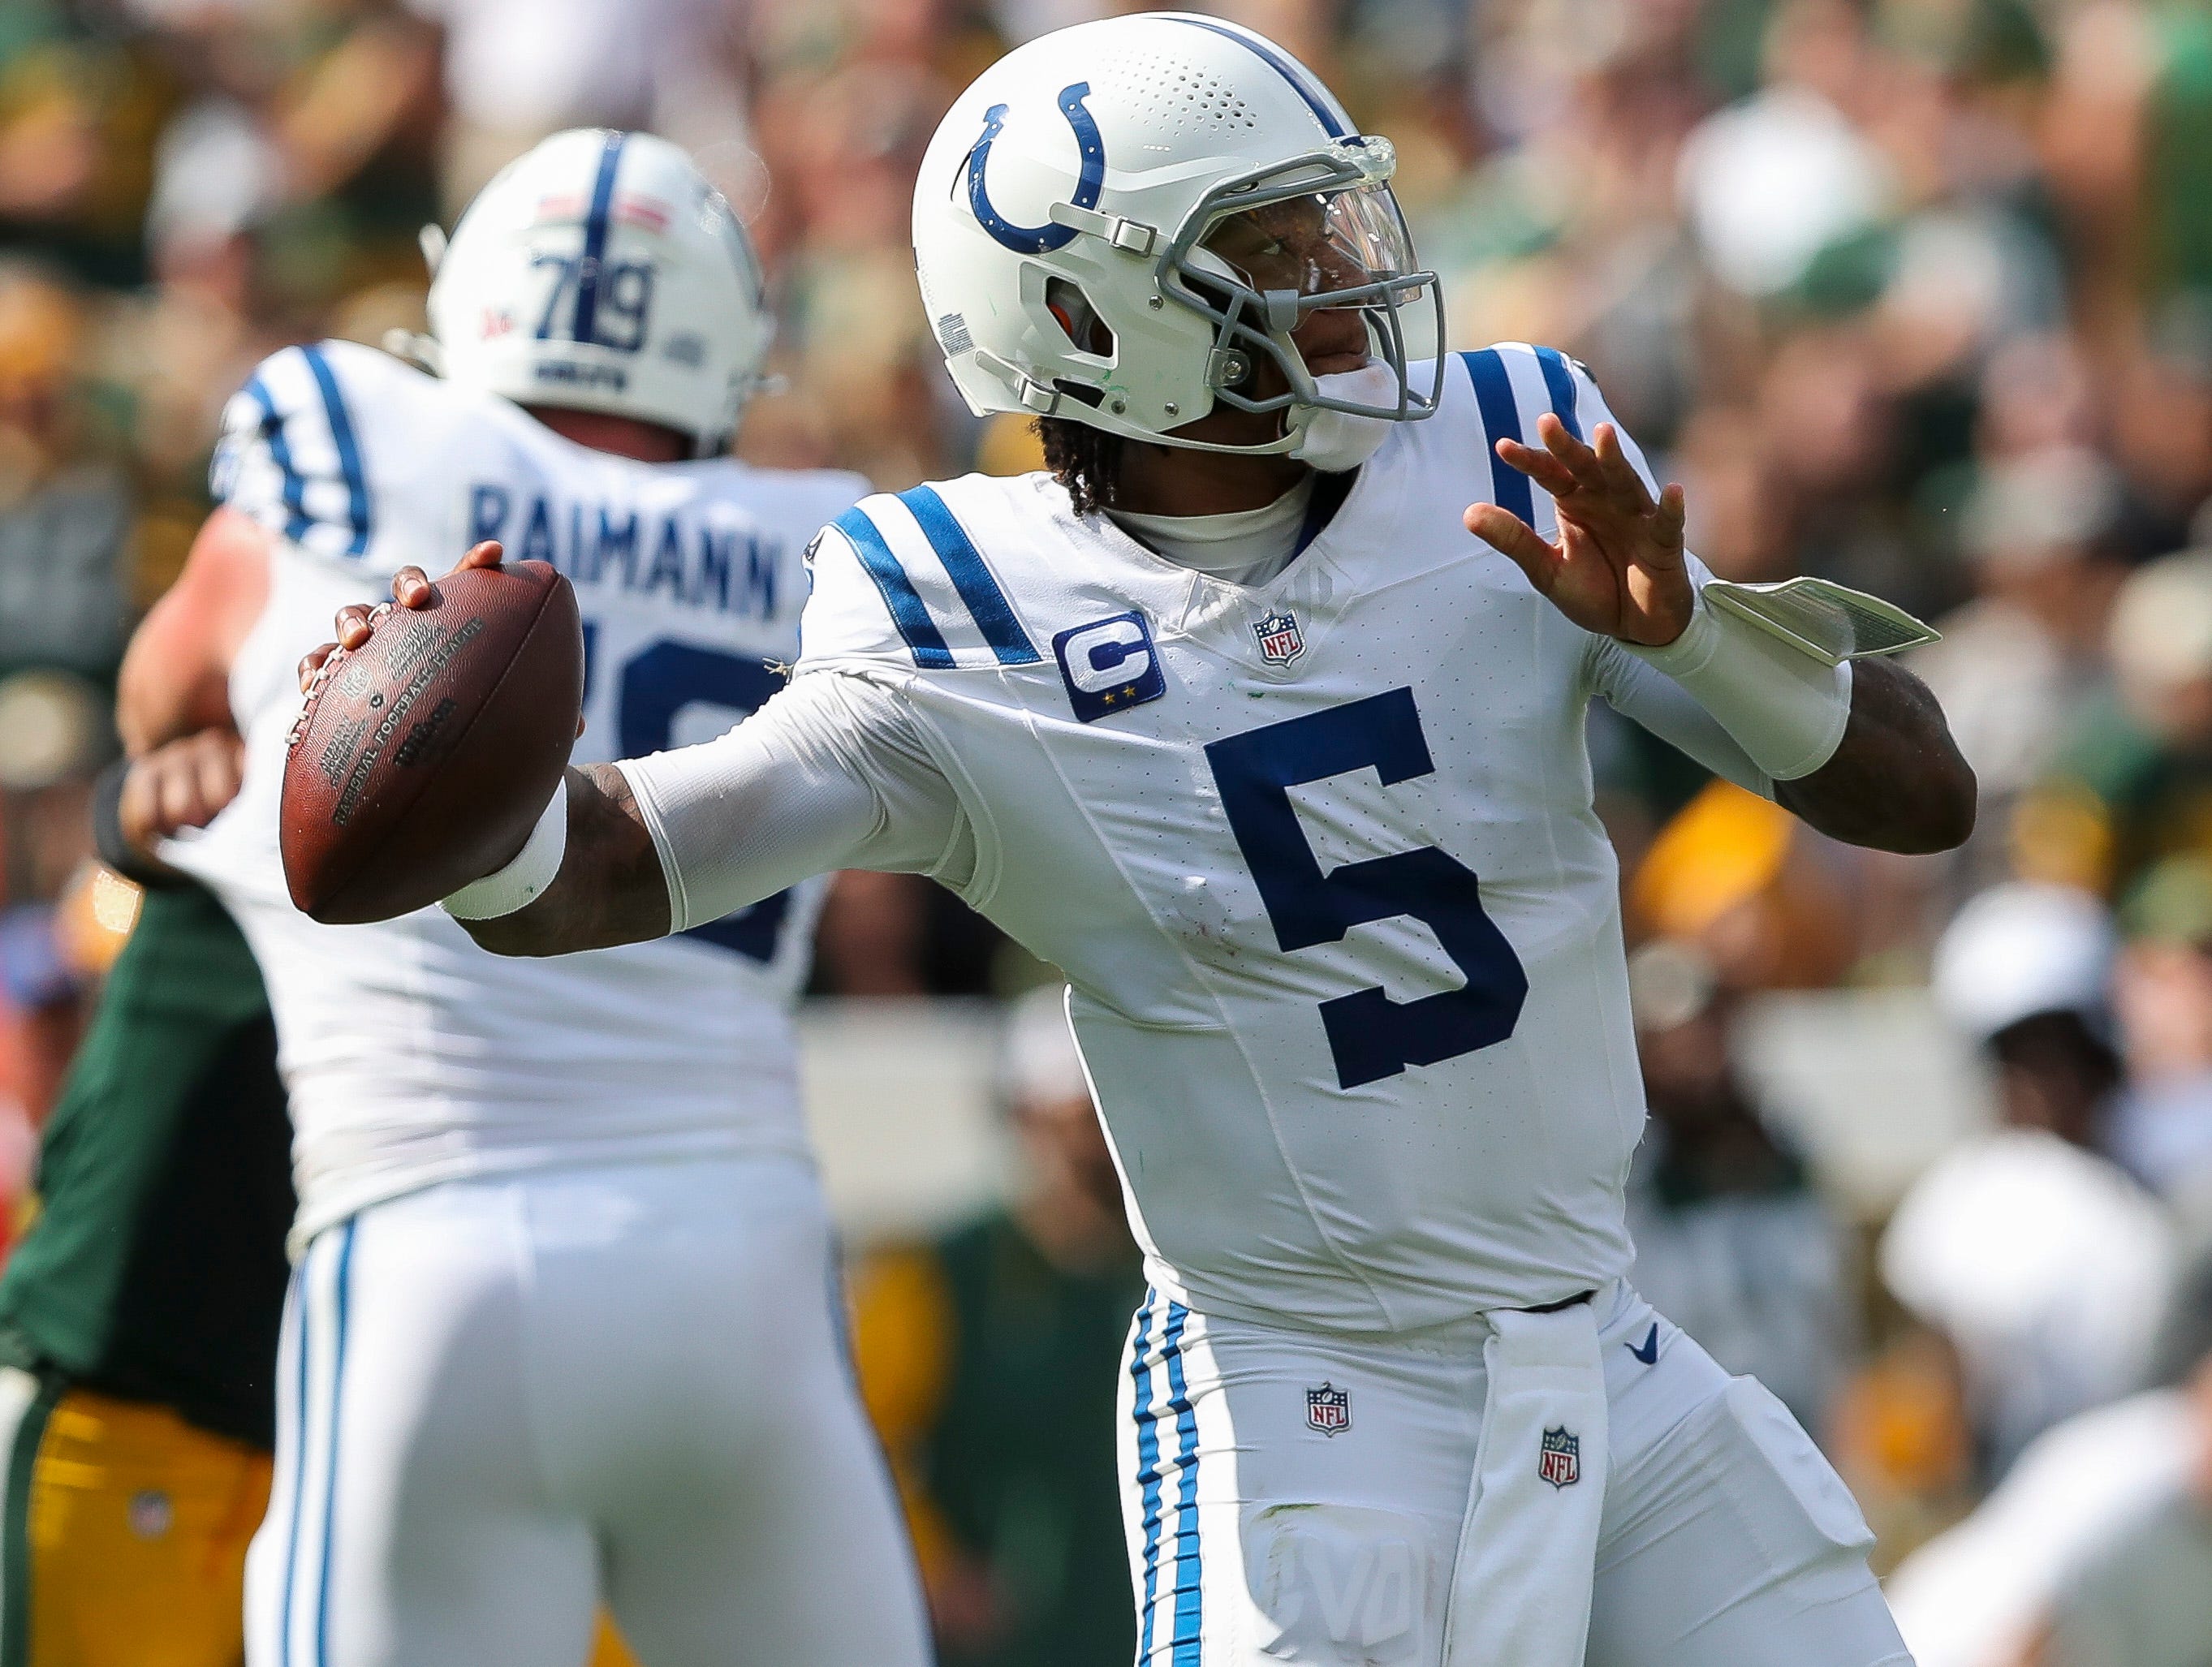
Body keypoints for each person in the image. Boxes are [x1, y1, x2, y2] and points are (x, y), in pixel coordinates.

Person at [322, 19, 1975, 1665]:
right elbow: (606, 863)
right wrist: (443, 787)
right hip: (1317, 1410)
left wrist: (1698, 639)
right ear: (1086, 316)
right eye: (1271, 245)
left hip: (1606, 1359)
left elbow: (1924, 795)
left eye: (1332, 221)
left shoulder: (1507, 443)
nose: (1344, 274)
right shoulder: (956, 618)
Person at [113, 130, 927, 1667]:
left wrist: (189, 749)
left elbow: (159, 700)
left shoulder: (352, 433)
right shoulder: (827, 535)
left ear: (469, 299)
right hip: (743, 1259)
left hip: (435, 1244)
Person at [0, 873, 292, 1667]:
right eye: (58, 1008)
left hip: (295, 1416)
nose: (66, 1035)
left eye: (75, 1009)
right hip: (123, 1396)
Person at [856, 984, 1145, 1667]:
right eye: (1084, 1114)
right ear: (1026, 1116)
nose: (1103, 1140)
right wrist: (931, 1564)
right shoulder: (935, 1272)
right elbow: (858, 1432)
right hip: (1008, 1640)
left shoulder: (1191, 1269)